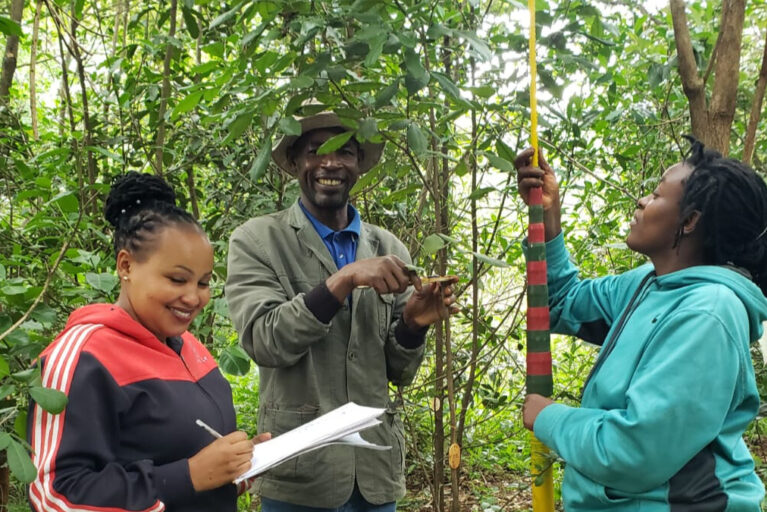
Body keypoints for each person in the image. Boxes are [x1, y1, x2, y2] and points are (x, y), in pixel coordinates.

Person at [516, 137, 767, 511]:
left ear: (691, 220)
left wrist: (550, 417)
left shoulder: (707, 314)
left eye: (655, 195)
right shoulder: (648, 284)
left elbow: (634, 452)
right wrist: (548, 215)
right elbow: (561, 303)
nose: (642, 202)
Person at [225, 108, 459, 510]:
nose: (329, 163)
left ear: (358, 166)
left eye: (344, 152)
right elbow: (265, 342)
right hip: (301, 473)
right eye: (316, 150)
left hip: (375, 470)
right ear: (296, 162)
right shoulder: (258, 240)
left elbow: (399, 372)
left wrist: (413, 324)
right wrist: (342, 279)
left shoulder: (389, 248)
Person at [28, 172, 269, 512]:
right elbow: (54, 495)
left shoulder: (190, 348)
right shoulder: (83, 356)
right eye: (177, 279)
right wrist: (190, 476)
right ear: (126, 265)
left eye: (202, 282)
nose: (193, 297)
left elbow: (190, 461)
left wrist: (240, 466)